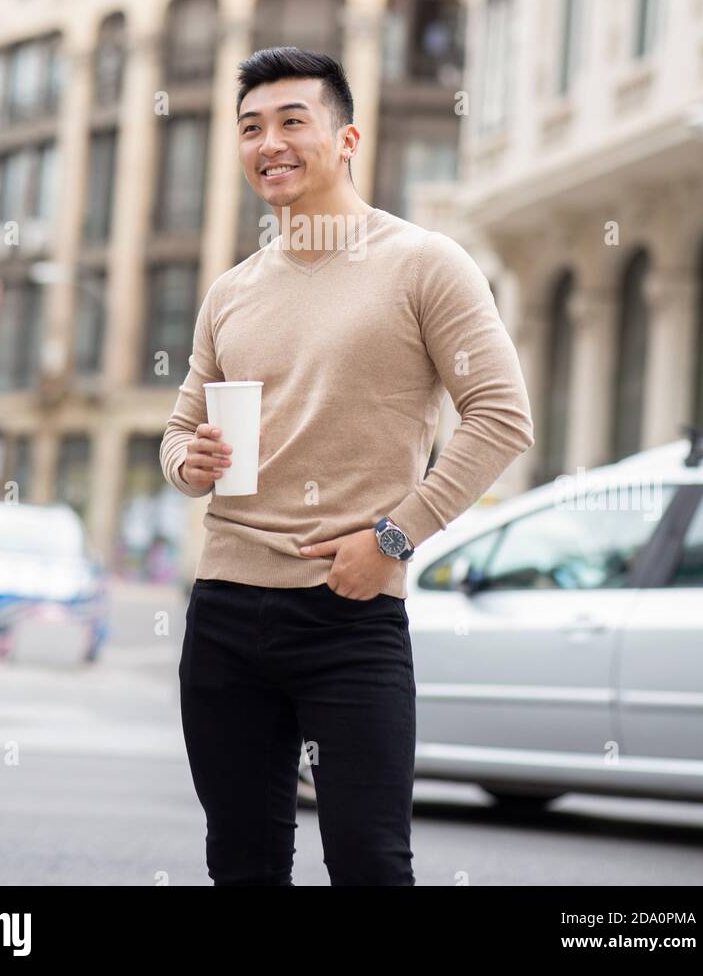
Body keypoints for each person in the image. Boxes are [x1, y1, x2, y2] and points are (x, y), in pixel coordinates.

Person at [160, 46, 534, 886]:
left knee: (369, 863)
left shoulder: (424, 264)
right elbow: (179, 433)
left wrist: (395, 538)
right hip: (223, 612)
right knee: (243, 862)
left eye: (294, 121)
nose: (270, 144)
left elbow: (503, 419)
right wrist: (191, 461)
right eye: (251, 128)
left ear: (348, 137)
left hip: (349, 616)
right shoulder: (232, 291)